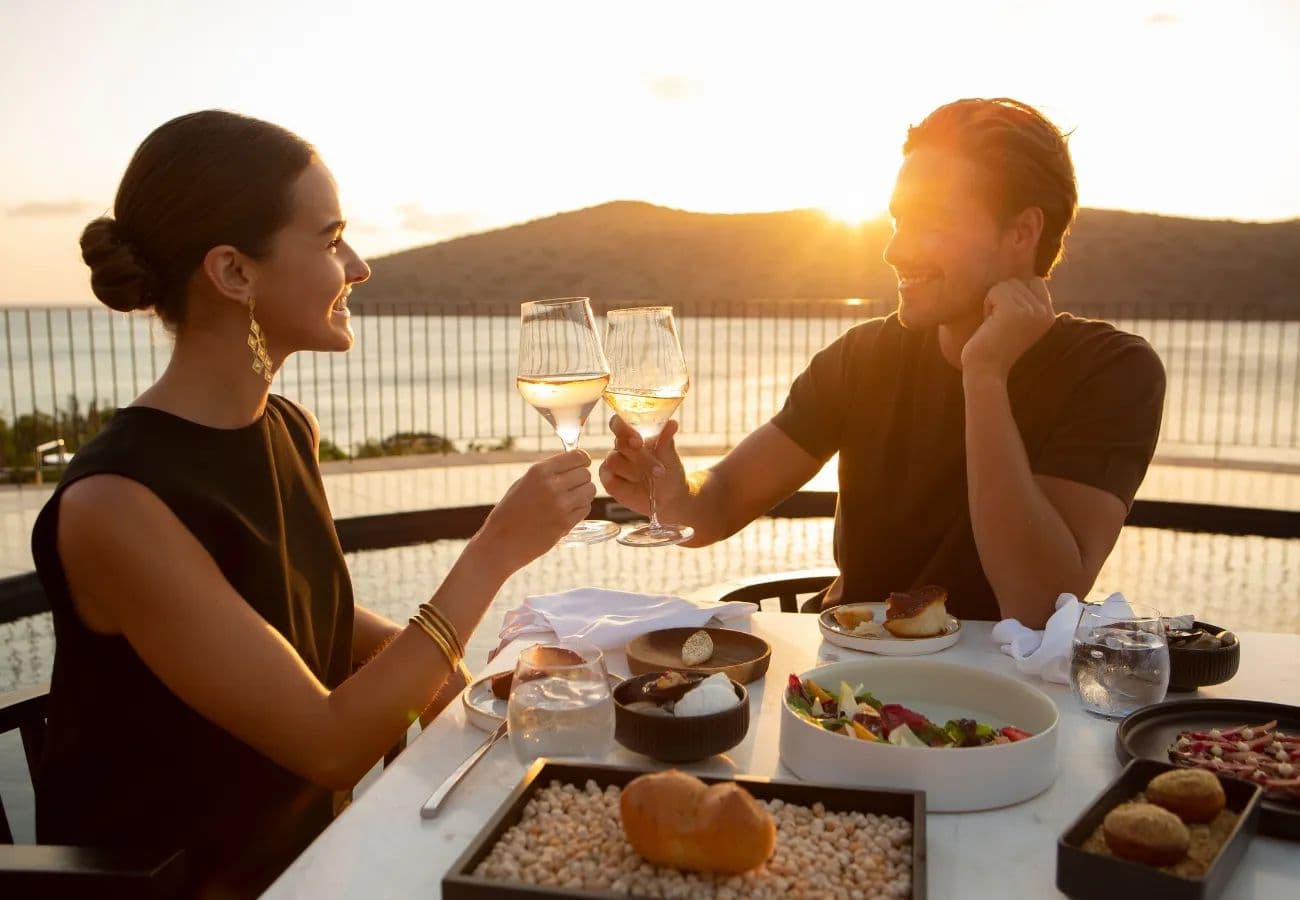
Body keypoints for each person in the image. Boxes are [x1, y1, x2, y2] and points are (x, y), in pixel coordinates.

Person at [31, 110, 596, 897]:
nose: (358, 266)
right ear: (234, 273)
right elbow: (328, 746)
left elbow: (298, 613)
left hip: (324, 855)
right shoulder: (116, 506)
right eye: (331, 240)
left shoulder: (288, 428)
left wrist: (433, 666)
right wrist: (495, 549)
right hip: (184, 884)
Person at [600, 98, 1166, 630]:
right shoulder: (862, 357)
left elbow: (1039, 607)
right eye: (897, 221)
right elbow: (718, 502)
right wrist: (672, 493)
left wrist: (985, 375)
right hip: (850, 695)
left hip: (1015, 714)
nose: (895, 251)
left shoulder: (1111, 372)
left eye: (931, 223)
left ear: (1022, 231)